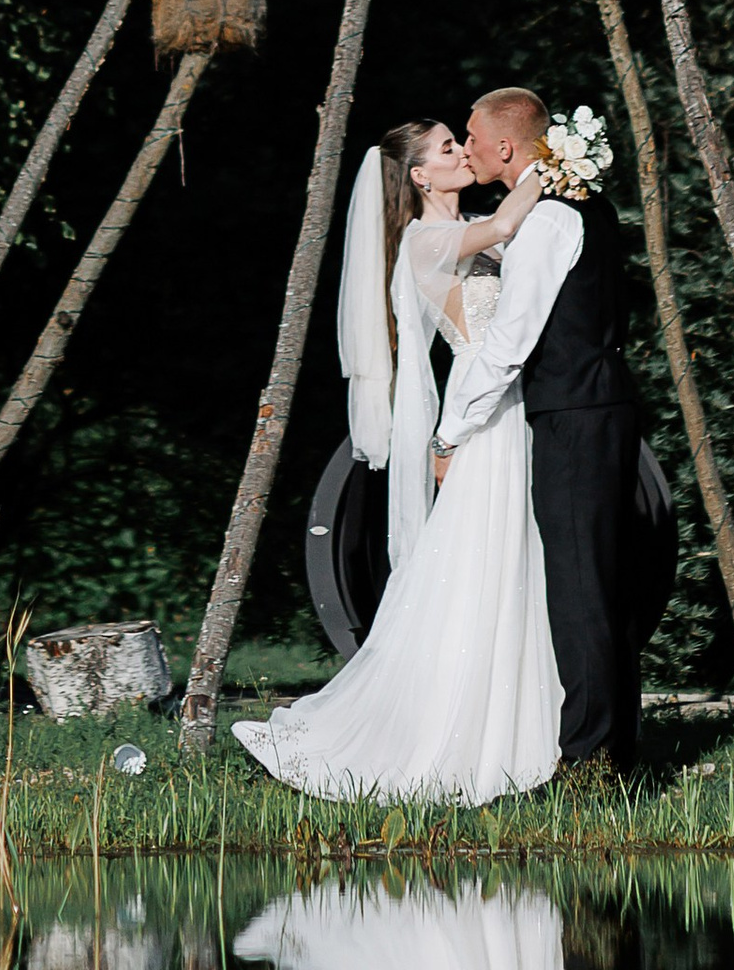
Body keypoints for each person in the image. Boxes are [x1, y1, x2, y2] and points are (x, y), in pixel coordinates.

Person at [232, 118, 559, 801]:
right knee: (479, 566)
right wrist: (553, 163)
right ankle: (447, 733)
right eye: (447, 148)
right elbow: (503, 230)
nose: (462, 153)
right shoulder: (424, 240)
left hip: (510, 404)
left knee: (500, 564)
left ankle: (515, 723)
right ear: (418, 176)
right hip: (486, 414)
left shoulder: (462, 224)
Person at [436, 86, 640, 774]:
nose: (465, 145)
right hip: (602, 407)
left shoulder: (550, 220)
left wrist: (450, 432)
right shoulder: (588, 205)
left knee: (580, 588)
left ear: (503, 145)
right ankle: (613, 752)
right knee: (602, 584)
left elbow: (511, 342)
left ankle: (589, 764)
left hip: (574, 417)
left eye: (470, 134)